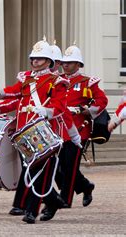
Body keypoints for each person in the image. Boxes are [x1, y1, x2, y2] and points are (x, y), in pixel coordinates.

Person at [0, 38, 69, 224]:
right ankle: (53, 201)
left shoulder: (57, 81)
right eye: (33, 58)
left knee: (37, 172)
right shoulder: (26, 79)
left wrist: (47, 112)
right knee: (33, 172)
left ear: (49, 61)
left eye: (39, 59)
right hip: (25, 133)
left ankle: (31, 211)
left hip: (45, 132)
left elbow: (60, 106)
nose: (35, 62)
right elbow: (15, 93)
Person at [56, 44, 107, 209]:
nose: (65, 65)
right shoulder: (58, 81)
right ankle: (85, 186)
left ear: (78, 64)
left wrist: (88, 111)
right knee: (60, 166)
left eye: (70, 62)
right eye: (64, 62)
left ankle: (65, 199)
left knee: (70, 166)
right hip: (59, 129)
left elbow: (102, 101)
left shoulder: (87, 82)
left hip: (79, 129)